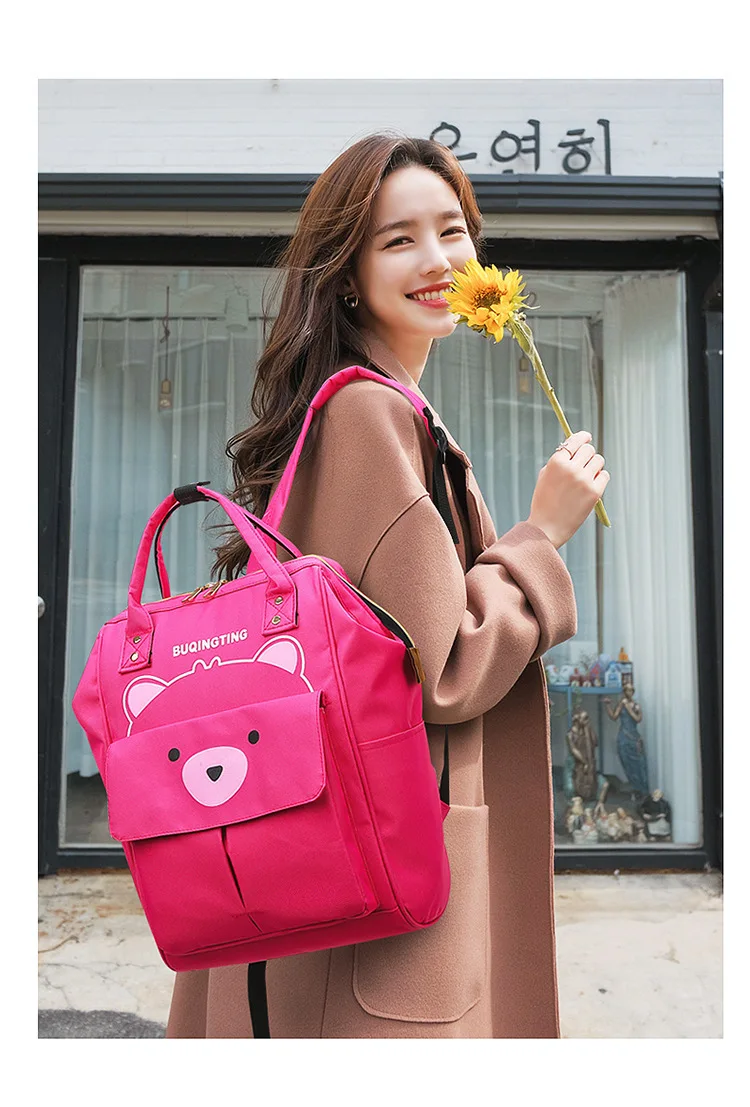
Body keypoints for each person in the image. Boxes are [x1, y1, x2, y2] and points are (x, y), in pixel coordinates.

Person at [165, 131, 610, 1039]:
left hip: (336, 863)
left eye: (453, 230)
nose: (439, 260)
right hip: (381, 888)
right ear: (348, 272)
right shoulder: (372, 413)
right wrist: (542, 535)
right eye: (399, 239)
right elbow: (439, 672)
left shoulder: (372, 405)